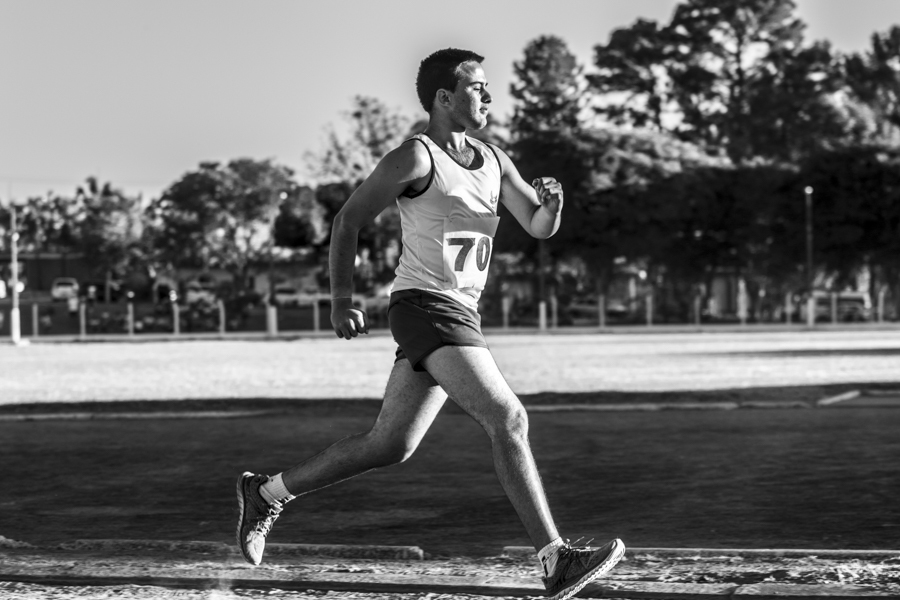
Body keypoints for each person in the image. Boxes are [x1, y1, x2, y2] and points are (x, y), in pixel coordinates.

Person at [236, 48, 624, 600]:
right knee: (508, 418)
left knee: (390, 444)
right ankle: (554, 559)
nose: (488, 96)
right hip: (424, 305)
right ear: (445, 98)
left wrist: (554, 207)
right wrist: (341, 297)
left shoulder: (494, 159)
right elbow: (348, 220)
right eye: (477, 87)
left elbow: (536, 225)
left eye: (489, 87)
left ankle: (266, 492)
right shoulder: (414, 158)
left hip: (460, 312)